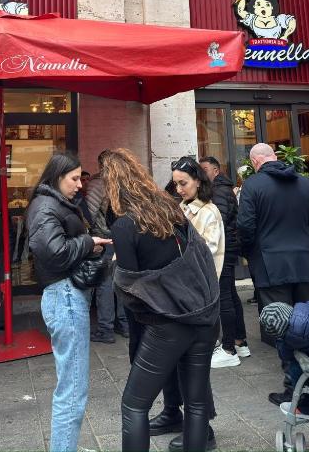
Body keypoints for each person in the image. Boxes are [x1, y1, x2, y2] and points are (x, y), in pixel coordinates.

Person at [106, 148, 220, 452]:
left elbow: (131, 288)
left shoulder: (124, 226)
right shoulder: (171, 209)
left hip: (168, 323)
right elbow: (199, 255)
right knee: (196, 402)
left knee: (134, 404)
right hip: (204, 313)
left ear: (112, 187)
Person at [26, 152, 112, 452]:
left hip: (66, 295)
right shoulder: (45, 206)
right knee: (73, 388)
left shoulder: (54, 203)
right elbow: (55, 252)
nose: (79, 184)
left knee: (72, 384)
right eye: (74, 178)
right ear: (57, 176)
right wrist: (89, 242)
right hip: (65, 296)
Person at [237, 143, 309, 318]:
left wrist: (248, 252)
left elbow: (245, 226)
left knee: (278, 323)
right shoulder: (306, 183)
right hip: (303, 262)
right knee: (308, 320)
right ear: (275, 156)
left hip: (270, 266)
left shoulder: (252, 185)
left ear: (254, 162)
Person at [200, 156, 250, 367]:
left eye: (205, 169)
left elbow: (217, 220)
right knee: (230, 295)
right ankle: (239, 341)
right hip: (228, 248)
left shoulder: (219, 191)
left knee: (225, 298)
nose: (202, 173)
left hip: (224, 249)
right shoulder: (221, 189)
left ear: (216, 170)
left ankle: (229, 349)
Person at [85, 151, 129, 344]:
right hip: (123, 238)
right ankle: (125, 325)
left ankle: (106, 329)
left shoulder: (98, 184)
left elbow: (89, 215)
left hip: (104, 239)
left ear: (100, 164)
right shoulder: (125, 183)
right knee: (122, 282)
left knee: (104, 285)